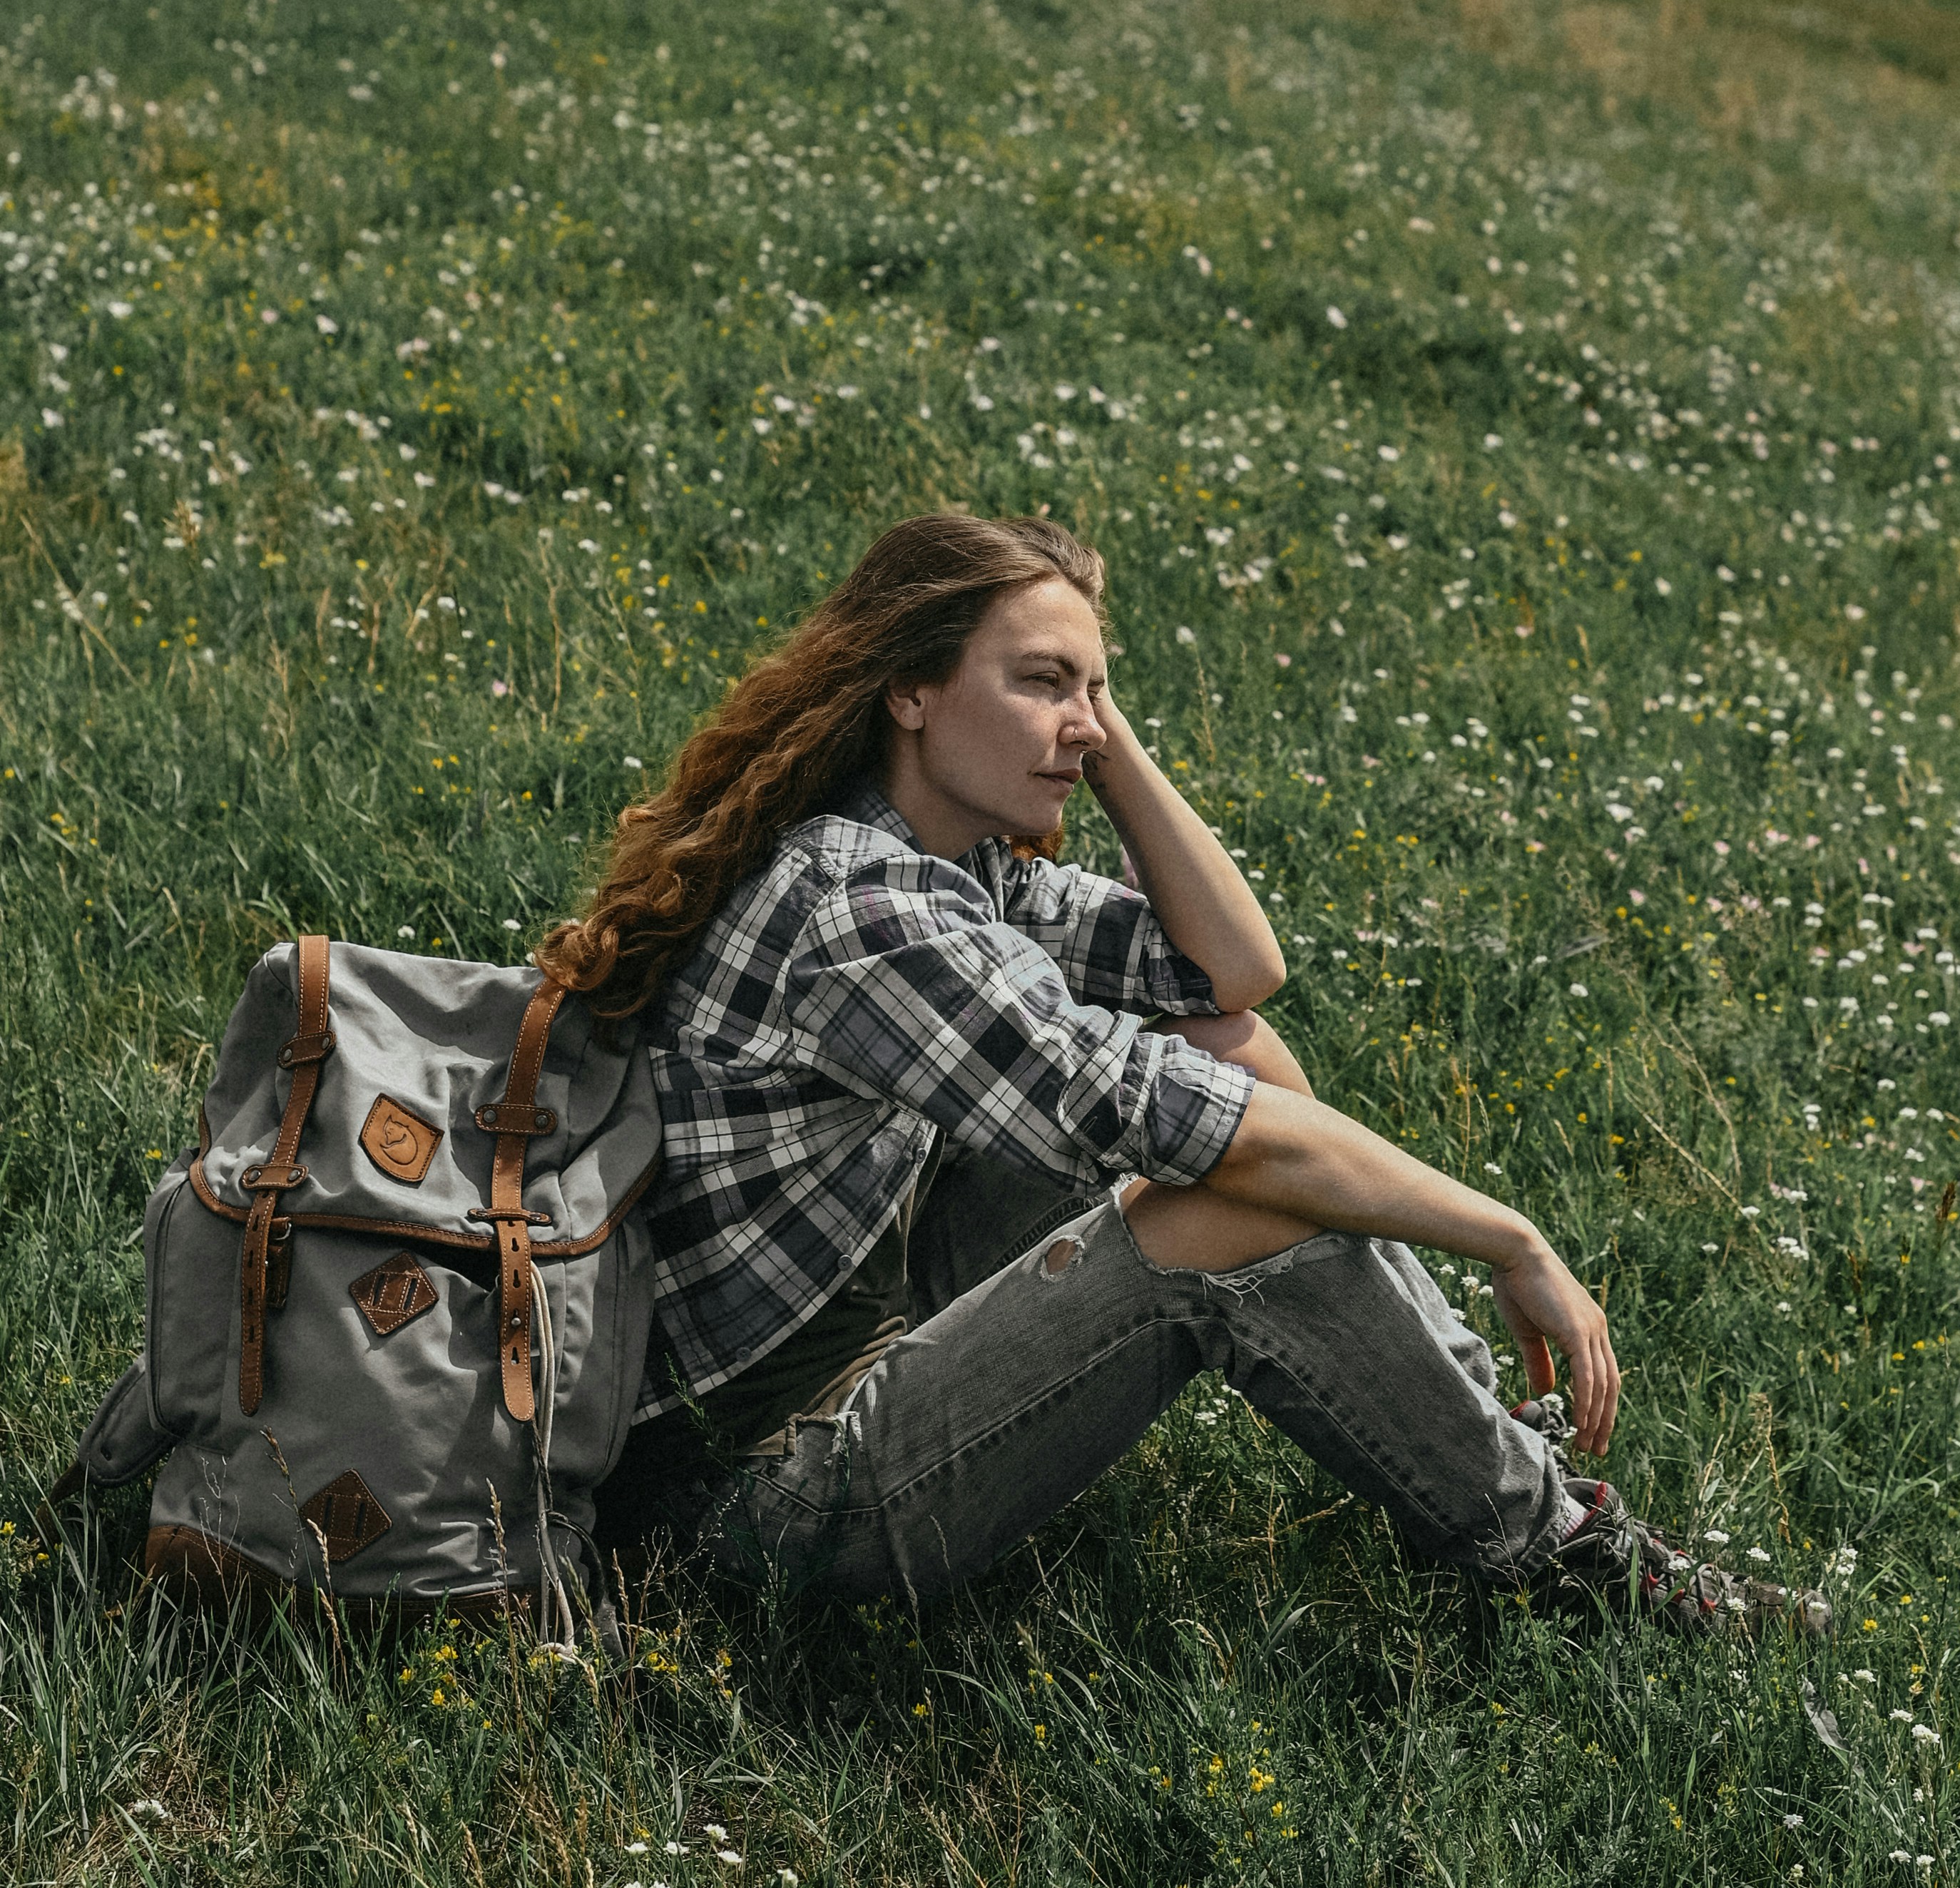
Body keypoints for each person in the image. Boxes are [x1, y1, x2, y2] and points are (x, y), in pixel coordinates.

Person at [551, 513, 1820, 1634]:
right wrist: (1510, 1234)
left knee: (1231, 1056)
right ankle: (1543, 1550)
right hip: (755, 1498)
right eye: (1039, 680)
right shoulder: (863, 912)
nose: (1081, 721)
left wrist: (1099, 741)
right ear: (911, 690)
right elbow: (1209, 1139)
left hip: (862, 1298)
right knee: (1231, 1194)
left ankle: (1481, 1447)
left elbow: (1233, 976)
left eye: (1097, 689)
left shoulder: (953, 860)